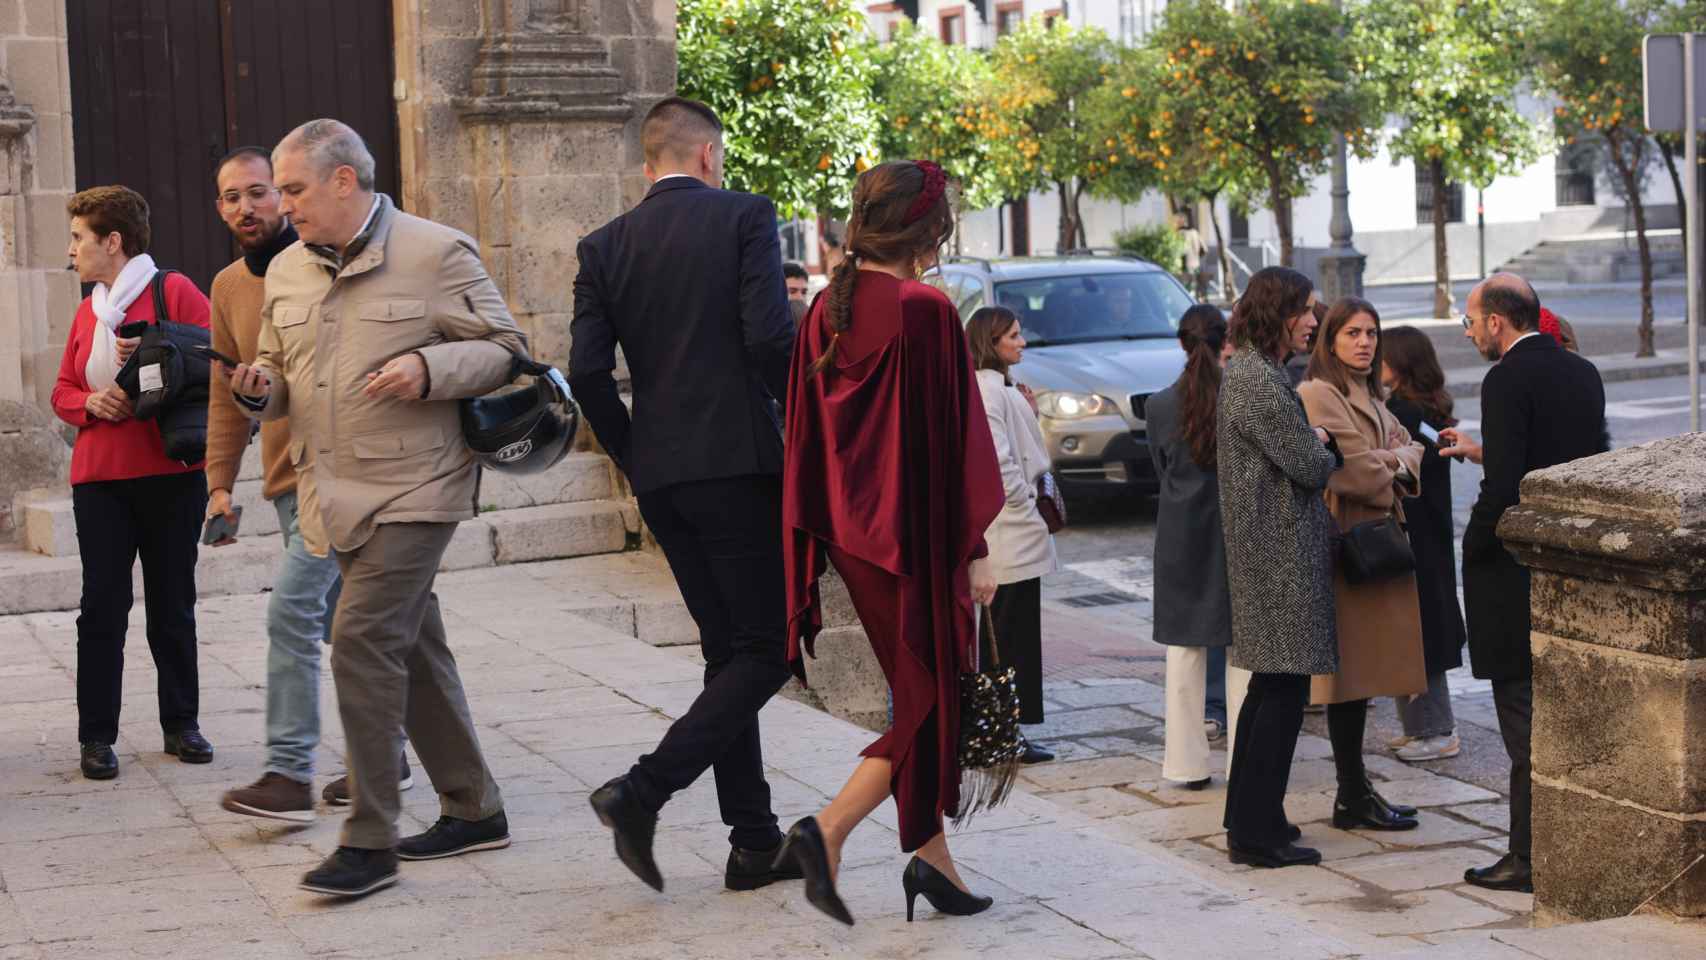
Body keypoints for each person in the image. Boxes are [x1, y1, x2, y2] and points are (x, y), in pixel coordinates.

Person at [228, 119, 517, 899]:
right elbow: (278, 369)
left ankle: (370, 839)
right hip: (332, 492)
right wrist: (260, 389)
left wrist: (428, 367)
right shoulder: (286, 270)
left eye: (293, 189)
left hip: (417, 486)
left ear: (344, 181)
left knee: (359, 640)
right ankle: (474, 807)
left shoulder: (437, 251)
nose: (283, 206)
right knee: (413, 648)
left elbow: (505, 348)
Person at [571, 97, 800, 896]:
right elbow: (773, 337)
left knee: (726, 652)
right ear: (709, 155)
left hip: (663, 476)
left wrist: (634, 454)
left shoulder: (602, 246)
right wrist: (799, 422)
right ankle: (643, 789)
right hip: (738, 465)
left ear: (648, 163)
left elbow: (588, 374)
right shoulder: (745, 215)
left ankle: (754, 841)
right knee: (771, 648)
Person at [781, 160, 1005, 925]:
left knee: (920, 691)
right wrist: (975, 546)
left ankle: (932, 860)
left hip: (855, 535)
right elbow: (956, 440)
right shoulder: (925, 309)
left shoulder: (824, 311)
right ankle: (828, 829)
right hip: (919, 537)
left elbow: (811, 434)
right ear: (927, 229)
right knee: (934, 699)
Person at [206, 147, 412, 821]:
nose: (248, 207)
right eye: (232, 197)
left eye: (261, 192)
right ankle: (387, 756)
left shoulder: (330, 263)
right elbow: (224, 396)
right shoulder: (229, 287)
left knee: (292, 612)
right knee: (351, 627)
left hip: (343, 478)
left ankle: (289, 771)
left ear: (286, 195)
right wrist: (219, 484)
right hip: (284, 484)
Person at [1441, 273, 1607, 895]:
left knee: (1523, 723)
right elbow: (1567, 463)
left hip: (1514, 573)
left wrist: (1474, 543)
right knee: (1565, 716)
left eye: (1470, 320)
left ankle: (1528, 857)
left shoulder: (1505, 378)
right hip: (1572, 565)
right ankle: (1569, 843)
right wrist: (1486, 453)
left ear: (1497, 322)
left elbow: (1508, 488)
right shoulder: (1580, 371)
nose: (1470, 331)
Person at [50, 185, 214, 781]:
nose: (71, 250)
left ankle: (182, 725)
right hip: (99, 481)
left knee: (173, 605)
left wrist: (153, 353)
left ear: (111, 241)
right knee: (102, 609)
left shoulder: (175, 291)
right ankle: (97, 737)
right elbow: (62, 390)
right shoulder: (87, 310)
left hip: (172, 475)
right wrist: (92, 401)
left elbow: (212, 364)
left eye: (78, 238)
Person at [1217, 266, 1342, 869]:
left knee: (1271, 688)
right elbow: (1309, 467)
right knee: (1283, 692)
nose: (1314, 322)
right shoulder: (1260, 380)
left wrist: (1310, 440)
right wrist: (1321, 444)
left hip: (1268, 549)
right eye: (1305, 310)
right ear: (1277, 312)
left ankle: (1255, 816)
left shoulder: (1253, 371)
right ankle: (1254, 832)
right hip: (1277, 554)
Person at [1297, 298, 1427, 832]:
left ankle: (1356, 791)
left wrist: (1393, 459)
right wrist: (1393, 460)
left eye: (1371, 332)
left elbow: (1411, 448)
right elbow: (1350, 471)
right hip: (1346, 544)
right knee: (1348, 679)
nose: (1365, 342)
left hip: (1377, 542)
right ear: (1330, 339)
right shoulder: (1317, 393)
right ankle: (1351, 793)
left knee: (1365, 678)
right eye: (1352, 332)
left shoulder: (1367, 393)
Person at [1147, 304, 1247, 789]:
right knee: (1242, 652)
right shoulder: (1241, 398)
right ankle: (1247, 761)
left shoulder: (1160, 403)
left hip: (1181, 533)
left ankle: (1186, 765)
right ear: (1226, 340)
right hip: (1238, 529)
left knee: (1184, 653)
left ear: (1181, 344)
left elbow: (1160, 470)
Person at [966, 305, 1058, 765]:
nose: (1022, 342)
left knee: (1008, 634)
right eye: (1014, 336)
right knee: (1006, 636)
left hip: (1012, 530)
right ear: (991, 341)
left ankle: (1006, 730)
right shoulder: (987, 389)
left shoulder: (997, 387)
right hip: (1008, 532)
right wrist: (1024, 501)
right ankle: (1001, 733)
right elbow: (998, 462)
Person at [1380, 326, 1467, 762]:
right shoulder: (1427, 411)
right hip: (1427, 531)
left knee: (1418, 627)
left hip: (1416, 530)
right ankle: (1419, 726)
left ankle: (1435, 728)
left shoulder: (1406, 414)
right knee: (1413, 625)